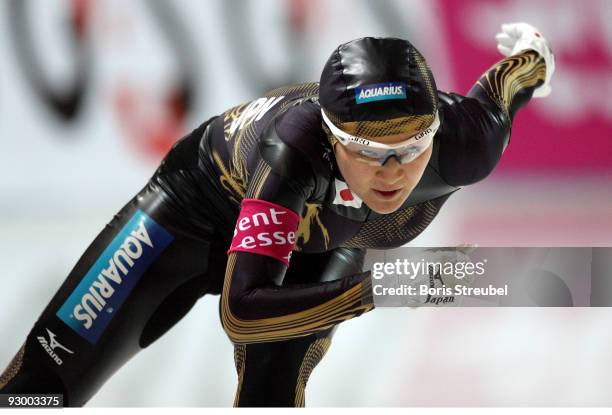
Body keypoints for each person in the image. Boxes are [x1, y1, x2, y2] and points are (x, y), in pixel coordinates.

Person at [0, 23, 554, 407]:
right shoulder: (293, 150)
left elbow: (508, 85)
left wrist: (534, 53)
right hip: (196, 209)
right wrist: (388, 287)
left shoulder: (466, 143)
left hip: (320, 241)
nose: (392, 172)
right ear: (331, 141)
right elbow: (242, 309)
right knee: (38, 390)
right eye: (366, 150)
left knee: (271, 393)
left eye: (412, 148)